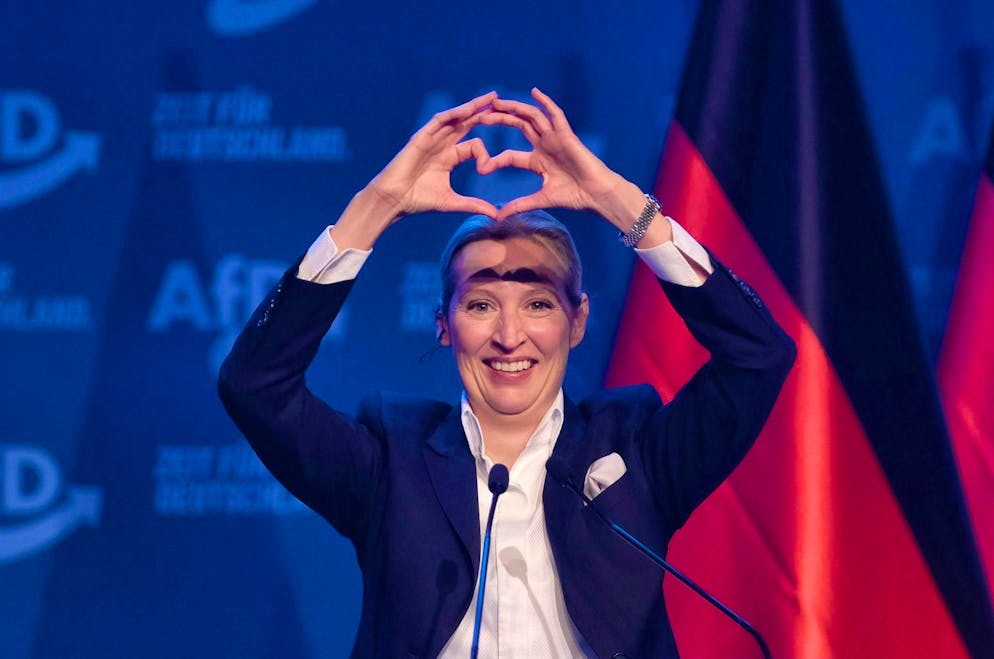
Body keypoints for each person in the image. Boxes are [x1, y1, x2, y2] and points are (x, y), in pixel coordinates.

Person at [218, 89, 795, 658]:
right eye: (480, 305)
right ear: (443, 325)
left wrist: (622, 206)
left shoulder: (636, 449)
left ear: (577, 321)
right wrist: (376, 207)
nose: (509, 335)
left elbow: (758, 355)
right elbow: (255, 385)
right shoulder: (390, 462)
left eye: (538, 304)